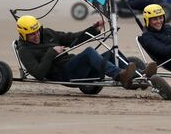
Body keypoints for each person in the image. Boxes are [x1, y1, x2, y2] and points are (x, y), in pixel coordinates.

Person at [16, 15, 156, 89]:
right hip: (65, 74)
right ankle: (120, 75)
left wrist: (93, 30)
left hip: (76, 67)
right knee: (89, 52)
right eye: (31, 35)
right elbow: (39, 74)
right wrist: (51, 52)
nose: (36, 36)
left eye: (36, 31)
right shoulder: (25, 51)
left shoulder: (47, 33)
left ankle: (139, 77)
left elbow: (72, 38)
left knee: (113, 53)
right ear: (23, 35)